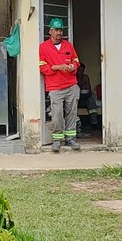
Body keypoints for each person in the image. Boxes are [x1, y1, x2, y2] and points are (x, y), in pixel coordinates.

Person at [39, 17, 81, 152]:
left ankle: (70, 138)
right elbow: (42, 67)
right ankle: (57, 139)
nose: (59, 33)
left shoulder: (68, 45)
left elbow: (76, 60)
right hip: (55, 87)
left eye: (61, 30)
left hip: (71, 85)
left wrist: (73, 67)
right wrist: (56, 67)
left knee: (72, 113)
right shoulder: (43, 47)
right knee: (56, 114)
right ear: (50, 31)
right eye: (56, 30)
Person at [76, 62, 99, 129]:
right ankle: (77, 125)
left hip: (84, 98)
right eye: (79, 70)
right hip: (76, 99)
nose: (80, 72)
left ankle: (94, 123)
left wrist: (85, 91)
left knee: (91, 100)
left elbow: (89, 90)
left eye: (82, 70)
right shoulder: (72, 78)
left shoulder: (85, 78)